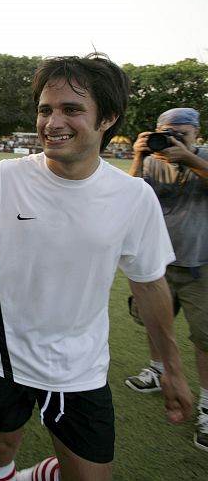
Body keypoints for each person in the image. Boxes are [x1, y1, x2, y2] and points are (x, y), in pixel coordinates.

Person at [0, 54, 192, 481]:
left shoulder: (132, 197)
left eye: (71, 109)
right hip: (2, 355)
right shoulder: (8, 177)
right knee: (0, 449)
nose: (52, 122)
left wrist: (171, 368)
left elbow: (150, 285)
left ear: (107, 119)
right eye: (46, 109)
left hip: (80, 366)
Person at [124, 107, 208, 451]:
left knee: (205, 335)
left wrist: (189, 158)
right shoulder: (152, 160)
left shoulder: (203, 156)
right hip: (157, 262)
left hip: (199, 264)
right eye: (166, 133)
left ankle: (206, 404)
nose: (172, 140)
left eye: (181, 135)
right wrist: (138, 155)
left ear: (196, 135)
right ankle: (158, 371)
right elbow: (127, 196)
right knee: (154, 321)